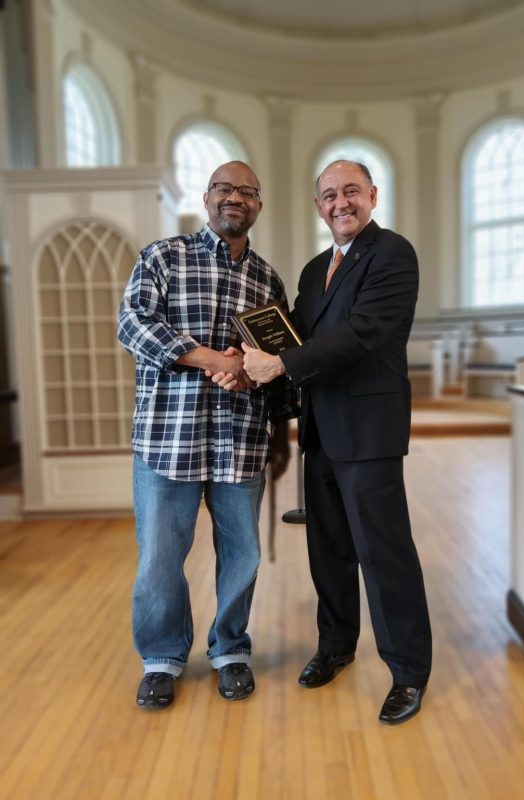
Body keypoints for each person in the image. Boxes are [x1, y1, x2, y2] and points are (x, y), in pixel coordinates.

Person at [241, 160, 432, 725]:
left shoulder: (392, 254)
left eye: (351, 191)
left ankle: (408, 672)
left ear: (372, 195)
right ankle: (335, 646)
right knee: (328, 549)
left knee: (383, 552)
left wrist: (278, 362)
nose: (340, 202)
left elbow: (364, 330)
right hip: (320, 429)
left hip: (370, 431)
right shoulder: (313, 268)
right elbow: (296, 330)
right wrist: (241, 358)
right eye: (329, 195)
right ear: (318, 205)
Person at [118, 161, 291, 709]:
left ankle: (231, 650)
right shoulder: (163, 256)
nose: (233, 197)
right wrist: (209, 357)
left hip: (239, 437)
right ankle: (161, 658)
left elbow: (279, 356)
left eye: (246, 191)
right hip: (169, 438)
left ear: (258, 206)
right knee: (160, 557)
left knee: (242, 554)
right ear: (207, 197)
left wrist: (247, 367)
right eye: (223, 188)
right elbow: (134, 324)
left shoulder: (268, 280)